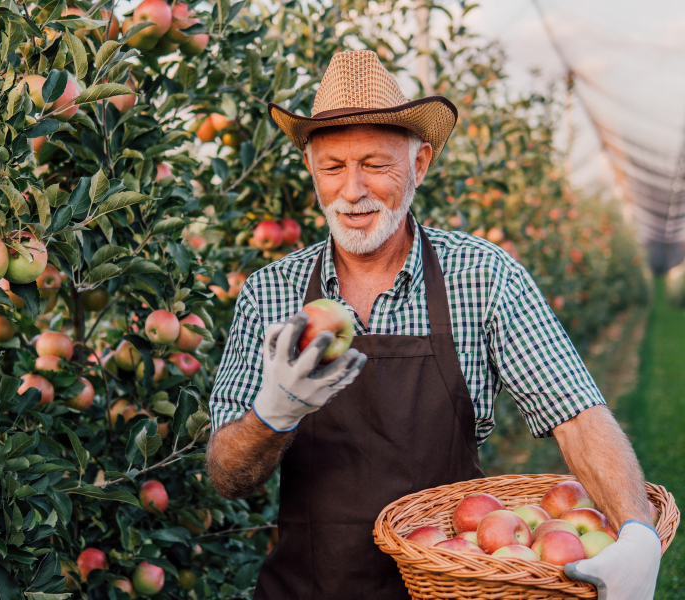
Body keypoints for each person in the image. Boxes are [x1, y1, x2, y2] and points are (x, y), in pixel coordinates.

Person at [206, 50, 660, 600]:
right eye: (332, 167)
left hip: (453, 585)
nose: (352, 190)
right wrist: (273, 415)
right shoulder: (269, 294)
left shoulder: (483, 276)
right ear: (311, 169)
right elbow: (229, 476)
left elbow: (577, 414)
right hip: (310, 586)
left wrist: (636, 531)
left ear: (419, 165)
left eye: (375, 164)